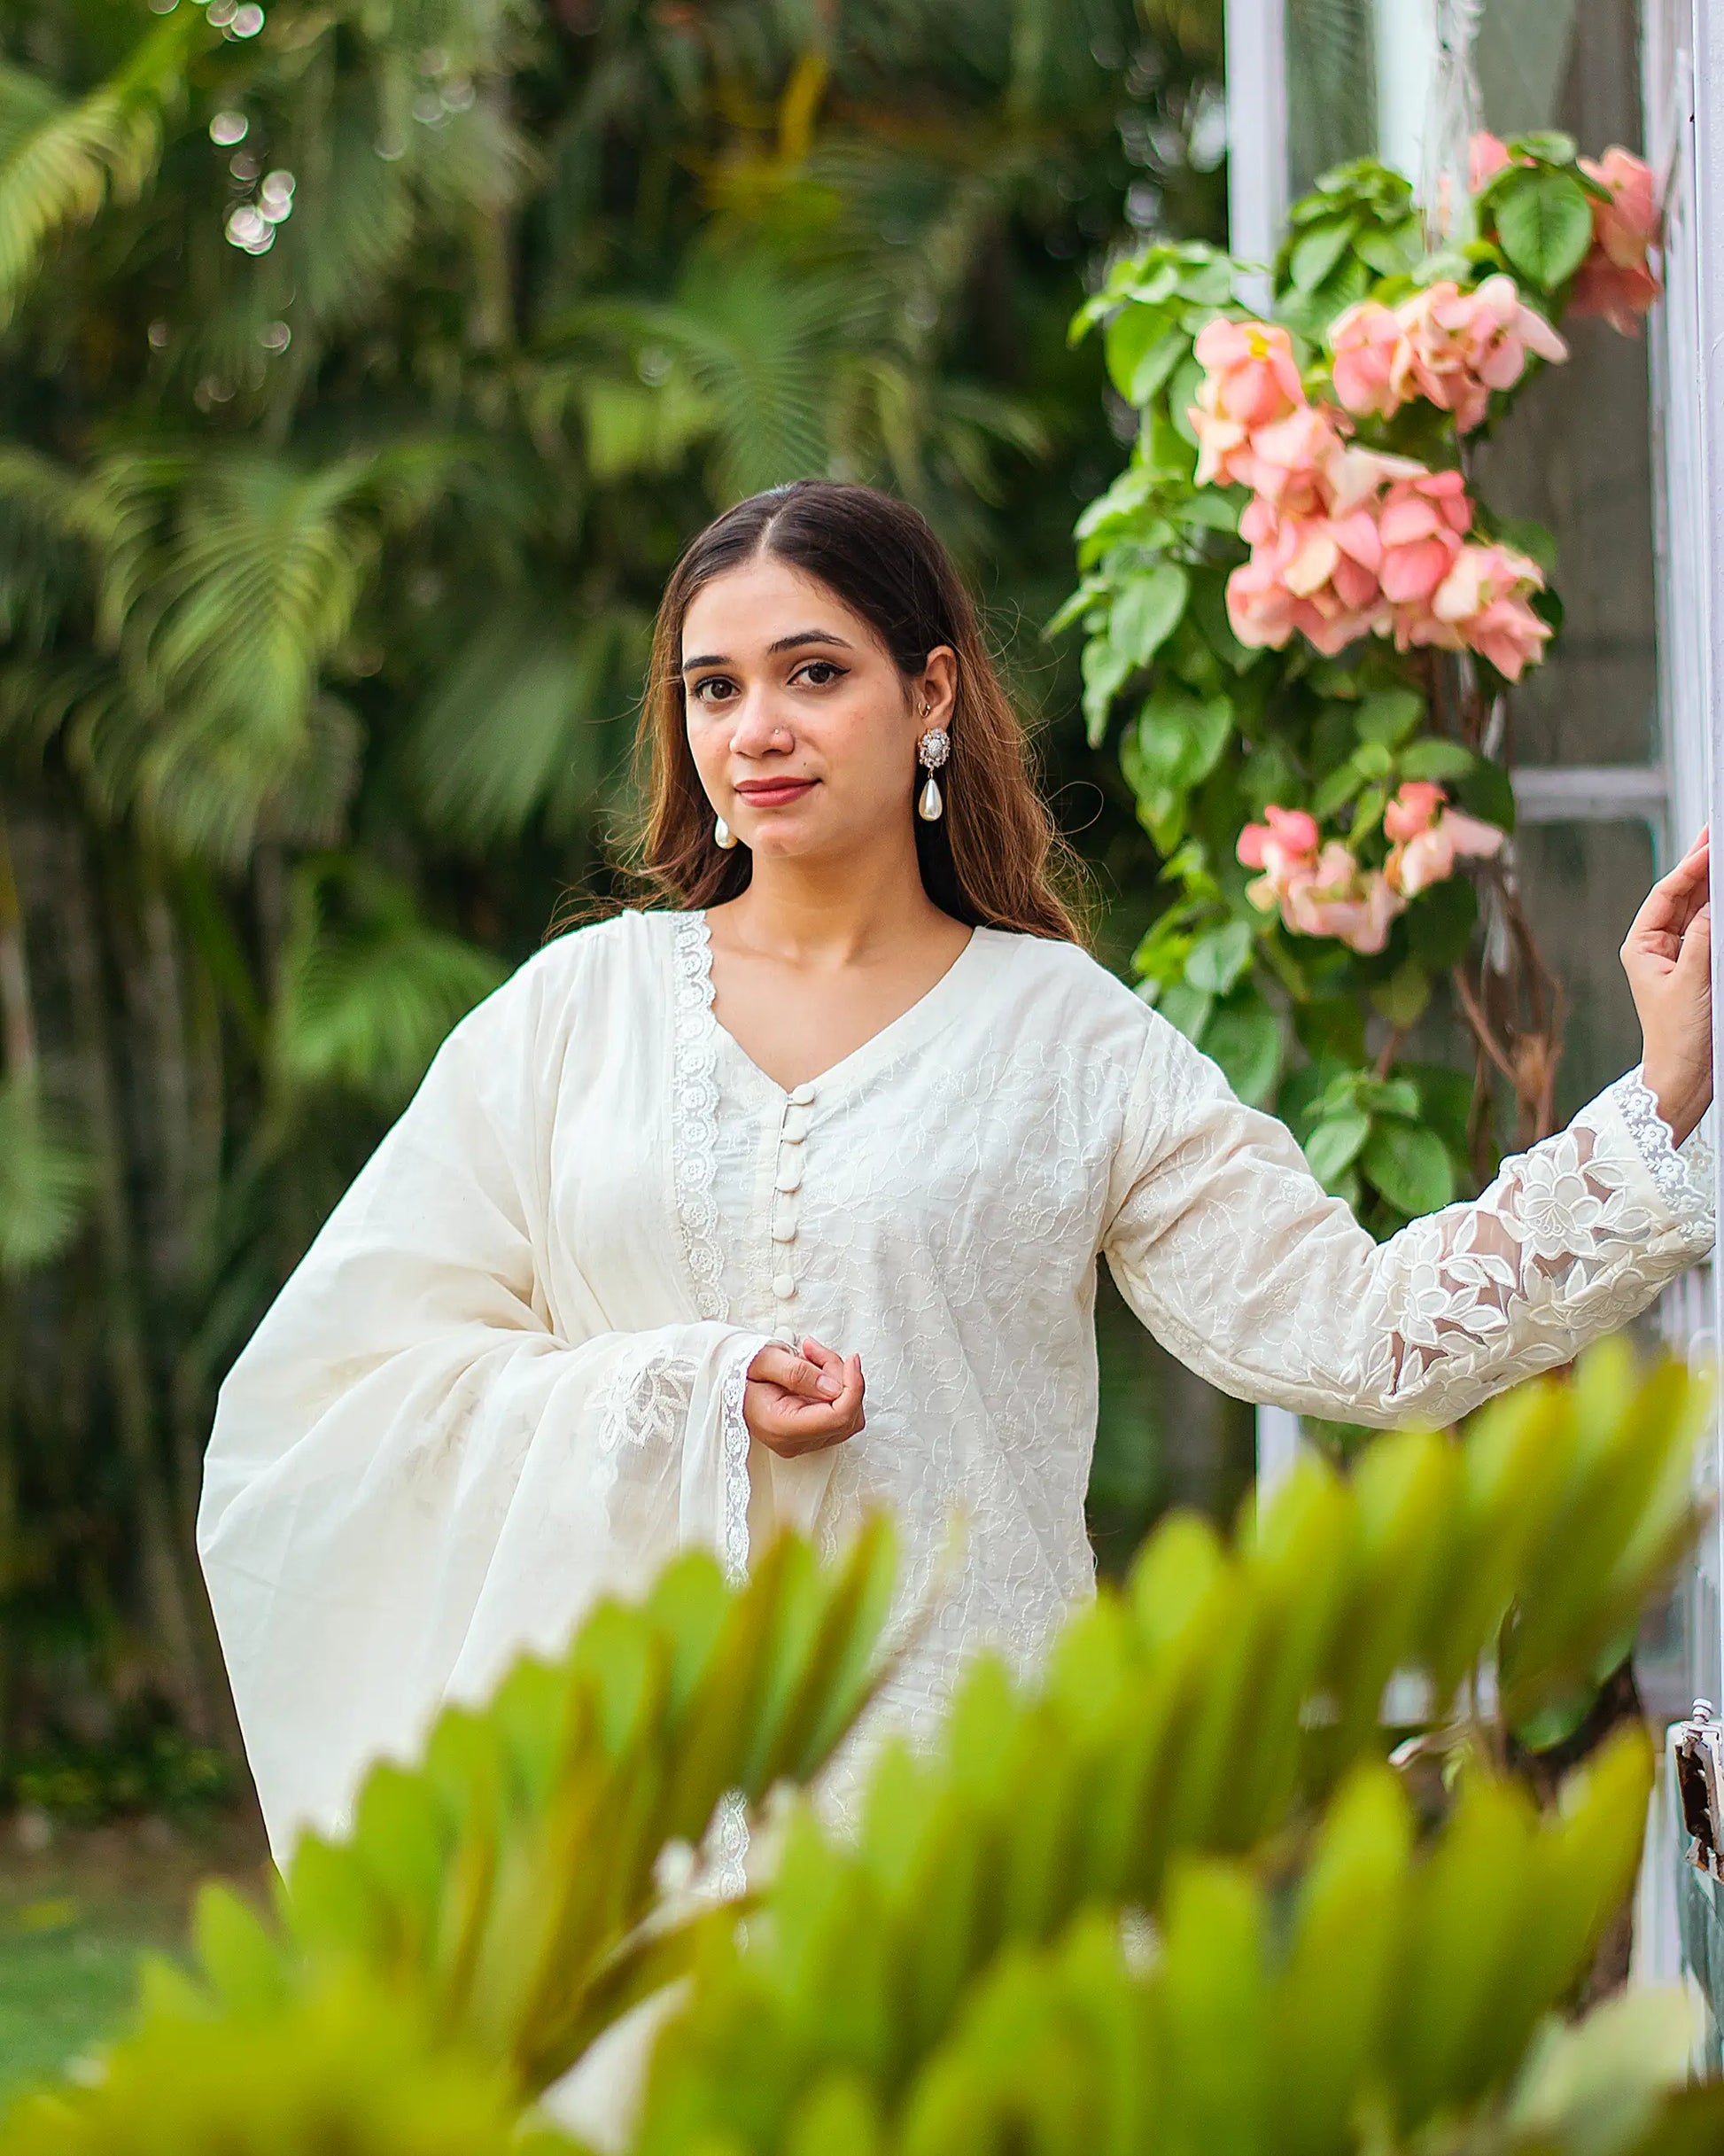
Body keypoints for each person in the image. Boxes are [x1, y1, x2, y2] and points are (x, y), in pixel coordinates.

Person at [198, 478, 1715, 1872]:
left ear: (929, 691)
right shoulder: (565, 1019)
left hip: (967, 1825)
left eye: (812, 672)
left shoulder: (1064, 1038)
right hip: (634, 1823)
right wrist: (679, 1391)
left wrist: (1658, 1093)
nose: (755, 729)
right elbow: (328, 1401)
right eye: (712, 689)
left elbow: (1364, 1328)